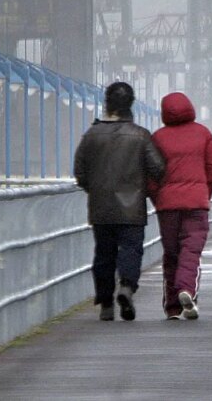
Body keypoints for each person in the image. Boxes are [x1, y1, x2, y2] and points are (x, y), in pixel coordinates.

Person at [74, 82, 165, 321]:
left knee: (103, 253)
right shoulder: (140, 135)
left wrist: (94, 189)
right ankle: (126, 285)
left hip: (101, 207)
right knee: (131, 250)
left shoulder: (91, 135)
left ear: (107, 103)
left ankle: (105, 302)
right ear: (131, 104)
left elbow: (80, 172)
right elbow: (158, 168)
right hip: (132, 207)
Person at [149, 92, 212, 320]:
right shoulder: (203, 133)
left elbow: (150, 173)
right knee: (191, 251)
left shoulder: (158, 137)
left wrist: (157, 196)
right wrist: (204, 192)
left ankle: (172, 308)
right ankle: (186, 290)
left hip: (167, 206)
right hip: (196, 205)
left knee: (171, 254)